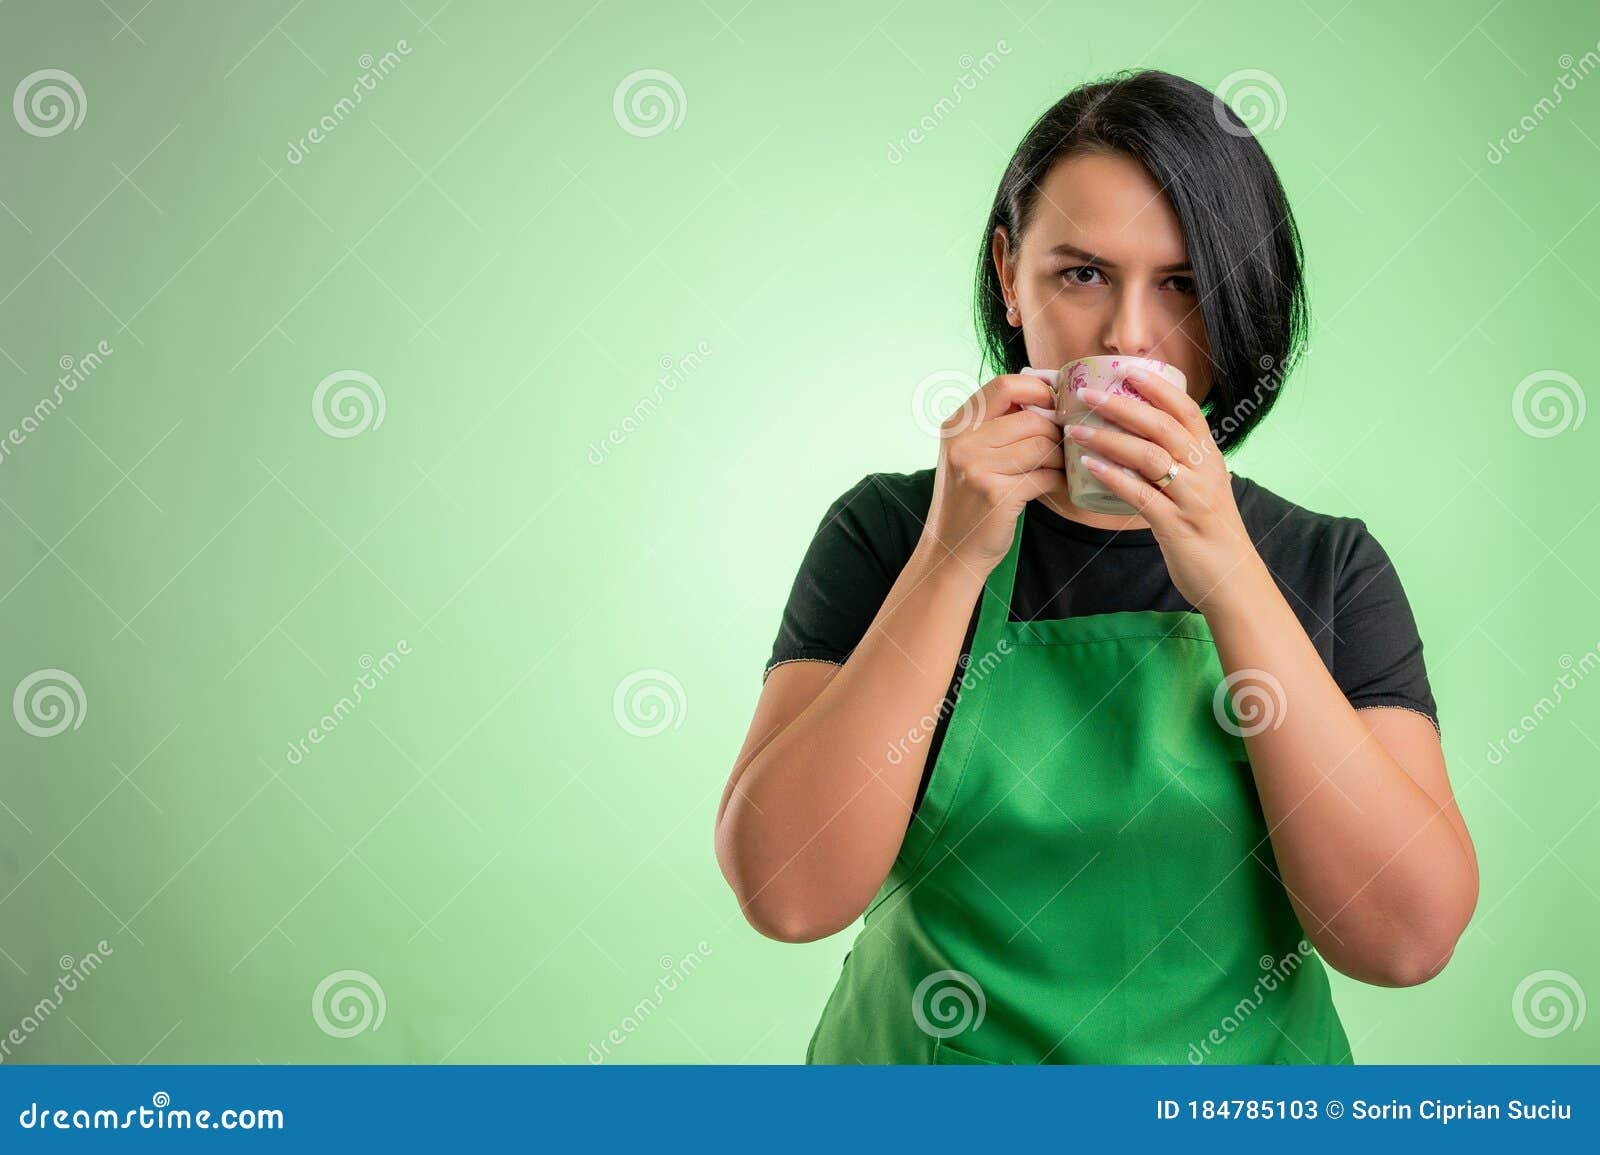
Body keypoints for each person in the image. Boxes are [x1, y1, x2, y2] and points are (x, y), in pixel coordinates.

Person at [713, 69, 1479, 1065]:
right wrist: (948, 561)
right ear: (1007, 273)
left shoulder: (1323, 564)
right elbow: (789, 895)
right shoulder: (885, 534)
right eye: (1081, 274)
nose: (1126, 334)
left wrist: (1231, 578)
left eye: (1183, 284)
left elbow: (1404, 941)